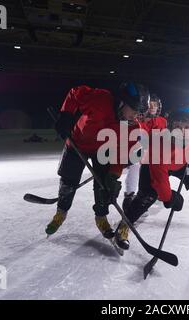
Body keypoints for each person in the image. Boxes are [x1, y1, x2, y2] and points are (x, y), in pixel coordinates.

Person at [45, 82, 150, 239]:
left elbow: (121, 156)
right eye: (134, 110)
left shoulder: (132, 127)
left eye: (139, 112)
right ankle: (61, 212)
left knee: (103, 187)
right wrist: (66, 115)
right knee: (69, 180)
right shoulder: (100, 98)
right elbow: (75, 93)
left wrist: (113, 176)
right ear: (122, 102)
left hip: (103, 151)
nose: (136, 115)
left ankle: (101, 217)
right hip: (77, 143)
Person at [113, 105, 189, 250]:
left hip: (183, 161)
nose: (182, 132)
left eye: (187, 126)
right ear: (170, 127)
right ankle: (124, 225)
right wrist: (170, 198)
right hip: (154, 164)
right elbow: (161, 183)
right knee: (146, 196)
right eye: (177, 126)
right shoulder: (159, 148)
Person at [121, 94, 166, 211]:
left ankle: (152, 192)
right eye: (150, 104)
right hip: (133, 153)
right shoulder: (135, 119)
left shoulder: (162, 122)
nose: (151, 107)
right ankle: (129, 195)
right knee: (136, 164)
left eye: (154, 104)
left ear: (158, 107)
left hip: (153, 155)